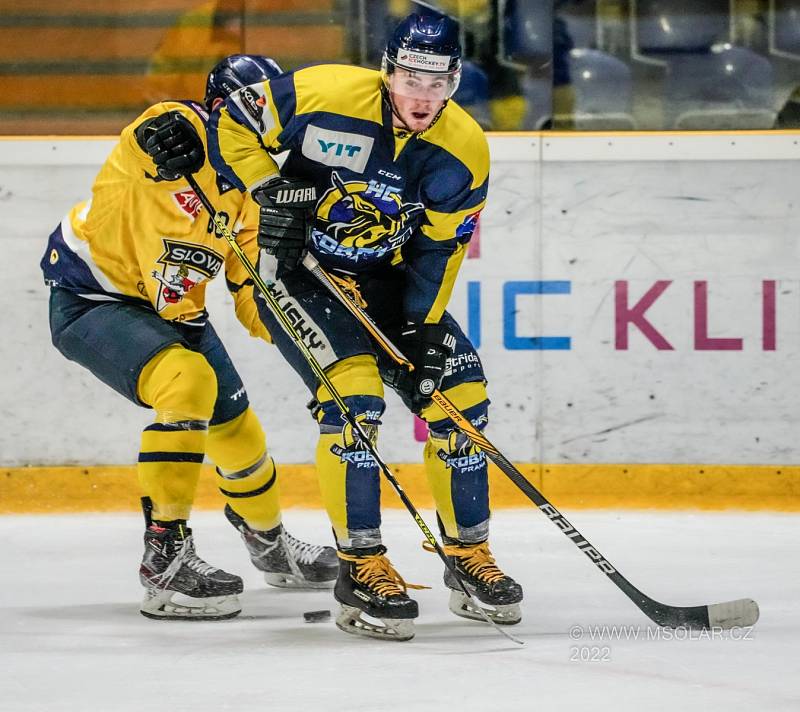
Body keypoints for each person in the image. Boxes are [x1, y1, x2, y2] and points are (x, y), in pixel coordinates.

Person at [207, 14, 523, 641]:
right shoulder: (324, 93)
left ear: (456, 81)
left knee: (461, 399)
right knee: (354, 403)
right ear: (387, 69)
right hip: (298, 273)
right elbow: (233, 123)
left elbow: (440, 251)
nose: (423, 97)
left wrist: (425, 330)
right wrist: (271, 189)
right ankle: (360, 565)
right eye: (412, 77)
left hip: (387, 283)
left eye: (439, 82)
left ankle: (466, 556)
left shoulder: (463, 151)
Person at [40, 54, 338, 622]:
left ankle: (270, 545)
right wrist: (160, 136)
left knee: (240, 429)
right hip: (93, 298)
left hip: (179, 312)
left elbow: (255, 291)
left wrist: (312, 336)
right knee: (188, 382)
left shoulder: (253, 189)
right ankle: (165, 559)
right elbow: (146, 134)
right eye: (239, 111)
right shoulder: (179, 132)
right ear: (217, 106)